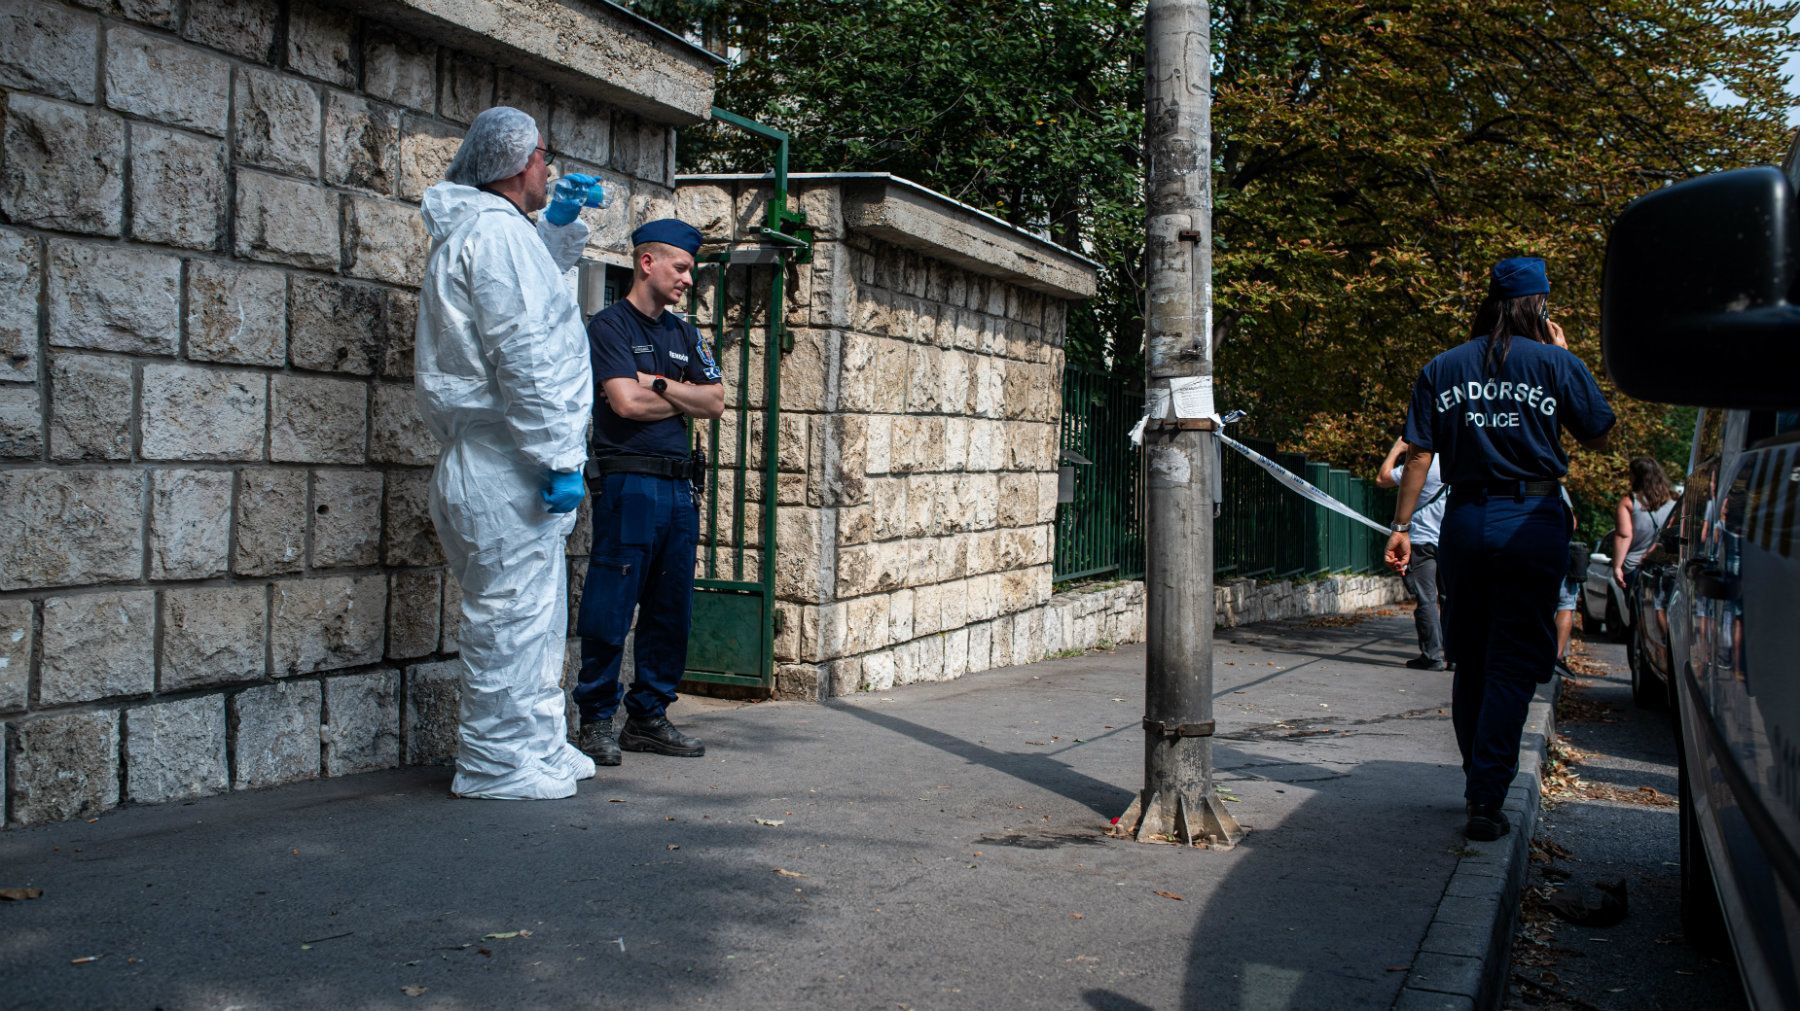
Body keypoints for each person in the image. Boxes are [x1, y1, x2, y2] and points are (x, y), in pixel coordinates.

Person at [1384, 256, 1614, 841]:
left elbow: (1418, 454)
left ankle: (1475, 776)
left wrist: (1402, 525)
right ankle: (1487, 795)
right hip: (1531, 518)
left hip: (1464, 517)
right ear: (1537, 304)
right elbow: (1598, 430)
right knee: (1513, 661)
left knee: (1473, 656)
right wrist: (1567, 358)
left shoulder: (1444, 366)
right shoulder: (1553, 361)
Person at [415, 106, 607, 801]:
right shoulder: (493, 237)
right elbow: (528, 352)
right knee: (508, 621)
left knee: (534, 619)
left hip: (504, 458)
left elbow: (530, 296)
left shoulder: (496, 235)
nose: (549, 168)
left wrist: (555, 227)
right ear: (517, 162)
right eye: (543, 157)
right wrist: (561, 455)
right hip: (509, 461)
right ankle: (495, 763)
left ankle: (534, 744)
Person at [573, 219, 725, 765]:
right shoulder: (608, 326)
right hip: (628, 482)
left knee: (670, 607)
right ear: (647, 263)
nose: (688, 279)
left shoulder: (684, 334)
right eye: (681, 268)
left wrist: (655, 382)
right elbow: (624, 405)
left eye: (690, 270)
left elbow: (715, 403)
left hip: (679, 486)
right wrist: (679, 395)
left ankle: (649, 716)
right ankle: (595, 720)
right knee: (611, 605)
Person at [1375, 436, 1447, 670]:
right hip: (1451, 539)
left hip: (1420, 540)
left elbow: (1382, 479)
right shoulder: (1459, 463)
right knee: (1451, 599)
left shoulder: (1421, 463)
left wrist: (1397, 449)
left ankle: (1432, 655)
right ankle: (1456, 656)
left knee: (1427, 598)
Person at [1611, 456, 1676, 593]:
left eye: (1630, 474)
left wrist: (1617, 567)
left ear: (1637, 477)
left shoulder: (1629, 501)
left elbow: (1623, 535)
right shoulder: (1674, 502)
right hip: (1664, 567)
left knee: (1634, 612)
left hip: (1635, 567)